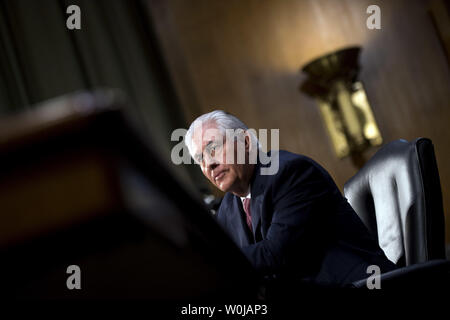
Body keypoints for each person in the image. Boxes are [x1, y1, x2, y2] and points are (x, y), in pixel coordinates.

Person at [185, 110, 396, 289]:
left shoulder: (290, 173)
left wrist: (210, 260)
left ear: (245, 141)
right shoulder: (227, 209)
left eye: (212, 148)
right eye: (200, 158)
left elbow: (275, 255)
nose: (208, 164)